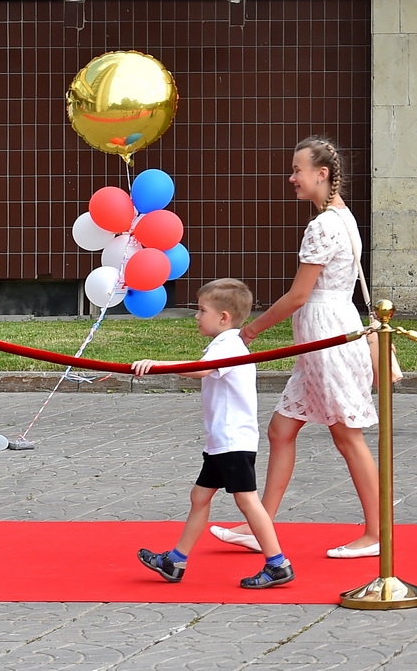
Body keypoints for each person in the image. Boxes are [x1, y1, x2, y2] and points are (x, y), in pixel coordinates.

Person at [212, 135, 381, 558]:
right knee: (281, 429)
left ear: (321, 174)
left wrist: (250, 331)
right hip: (326, 333)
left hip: (328, 336)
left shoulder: (323, 225)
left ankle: (377, 534)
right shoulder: (341, 217)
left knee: (347, 436)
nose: (292, 178)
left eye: (297, 170)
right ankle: (261, 526)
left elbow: (299, 295)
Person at [131, 279, 294, 589]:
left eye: (201, 310)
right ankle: (175, 561)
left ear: (223, 317)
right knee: (200, 496)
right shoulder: (226, 343)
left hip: (232, 441)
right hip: (221, 441)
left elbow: (202, 369)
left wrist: (157, 365)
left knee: (247, 500)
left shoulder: (229, 346)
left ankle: (277, 563)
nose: (196, 316)